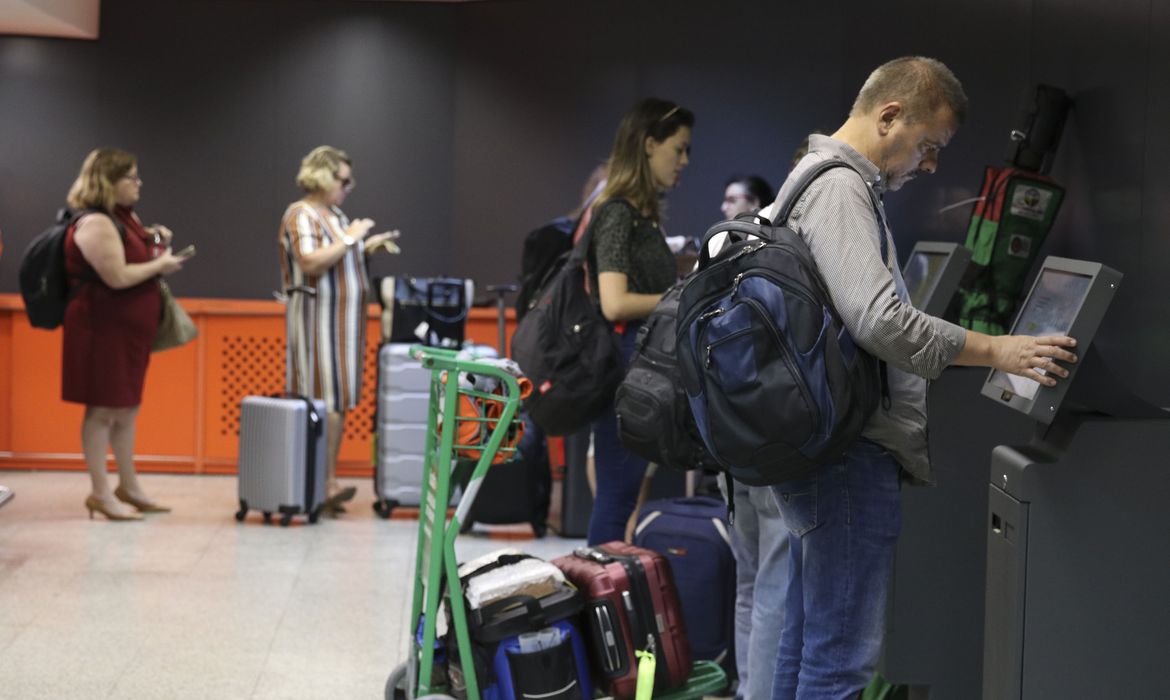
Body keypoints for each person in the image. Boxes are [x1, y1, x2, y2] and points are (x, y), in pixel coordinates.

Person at [758, 57, 1078, 699]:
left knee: (806, 643)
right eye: (928, 147)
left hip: (820, 449)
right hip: (848, 456)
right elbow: (881, 320)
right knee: (839, 660)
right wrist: (998, 350)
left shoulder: (807, 181)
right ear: (889, 117)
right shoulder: (840, 188)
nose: (930, 166)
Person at [583, 98, 693, 546]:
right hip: (624, 371)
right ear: (649, 144)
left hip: (641, 369)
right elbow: (613, 302)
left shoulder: (642, 215)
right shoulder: (617, 212)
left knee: (622, 498)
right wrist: (678, 299)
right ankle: (601, 602)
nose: (684, 161)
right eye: (679, 149)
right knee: (615, 501)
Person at [62, 148, 188, 521]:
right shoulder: (96, 223)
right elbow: (116, 277)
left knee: (127, 408)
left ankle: (128, 486)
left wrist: (152, 241)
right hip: (102, 330)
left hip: (127, 331)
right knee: (102, 410)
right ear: (108, 181)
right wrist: (159, 265)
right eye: (130, 177)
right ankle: (100, 492)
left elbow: (130, 258)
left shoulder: (124, 217)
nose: (139, 183)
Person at [278, 145, 399, 516]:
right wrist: (351, 238)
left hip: (344, 323)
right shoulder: (301, 214)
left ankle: (325, 480)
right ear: (321, 175)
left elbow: (336, 259)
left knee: (339, 402)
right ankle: (319, 482)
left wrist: (364, 247)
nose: (349, 186)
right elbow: (310, 260)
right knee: (323, 401)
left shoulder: (334, 214)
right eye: (342, 179)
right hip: (318, 322)